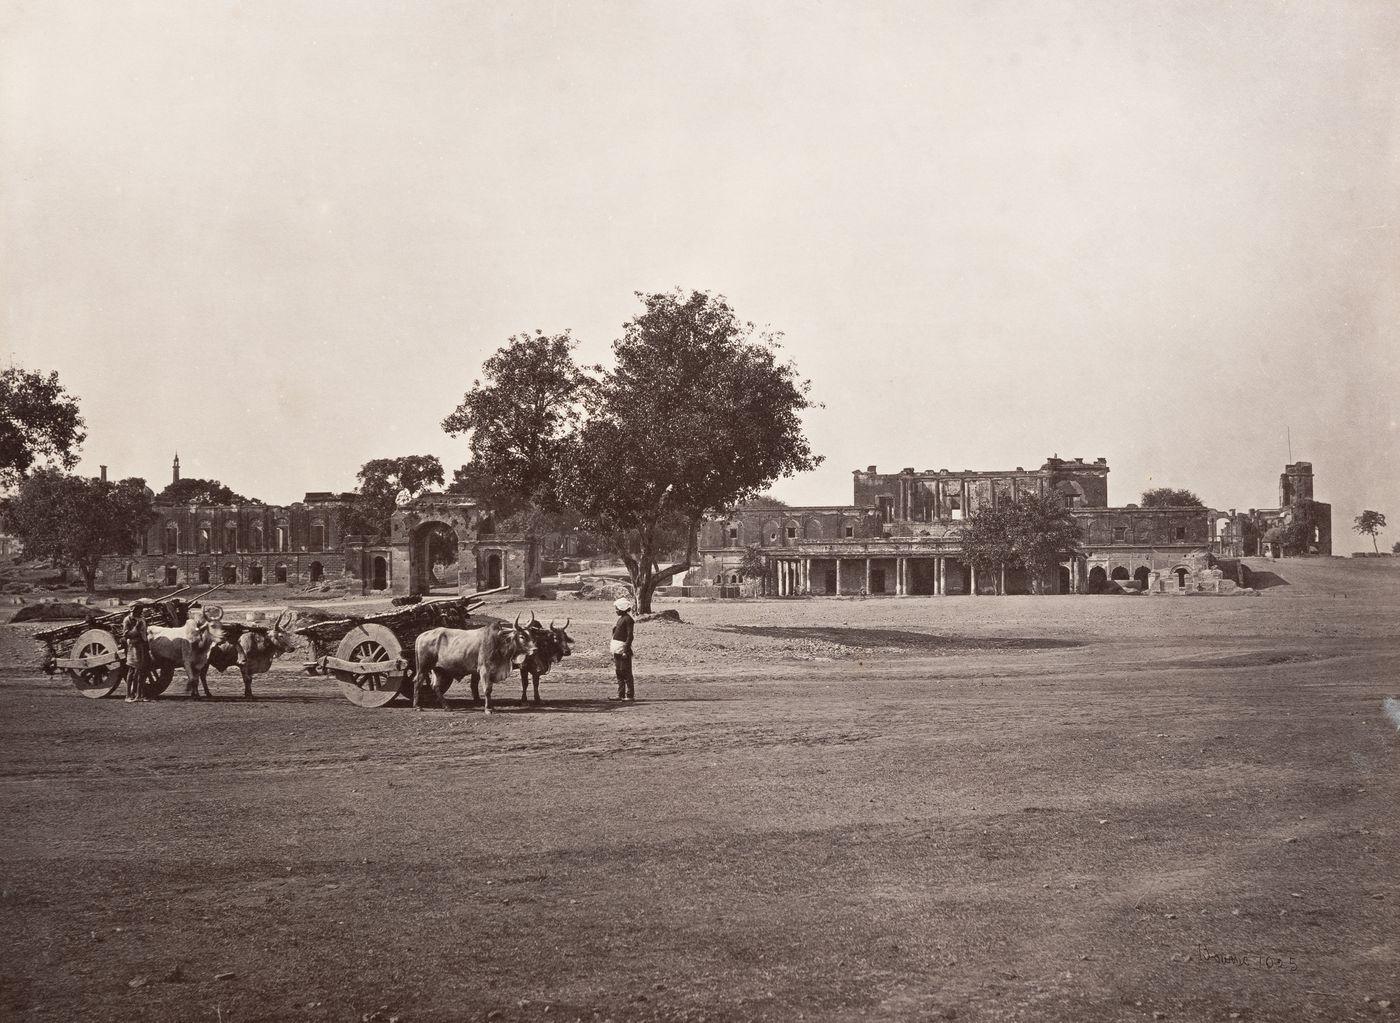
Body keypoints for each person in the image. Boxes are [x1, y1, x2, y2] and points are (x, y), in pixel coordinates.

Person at [610, 596, 635, 701]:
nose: (616, 611)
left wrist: (625, 650)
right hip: (617, 650)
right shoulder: (621, 619)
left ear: (622, 608)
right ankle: (620, 695)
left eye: (617, 609)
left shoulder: (628, 620)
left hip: (623, 650)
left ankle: (629, 695)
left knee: (626, 672)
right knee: (619, 672)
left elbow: (630, 636)